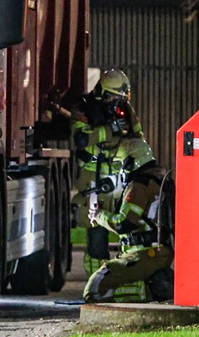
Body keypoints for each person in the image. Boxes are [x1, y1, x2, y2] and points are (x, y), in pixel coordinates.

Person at [52, 69, 147, 275]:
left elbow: (138, 137)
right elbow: (82, 140)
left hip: (122, 177)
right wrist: (110, 129)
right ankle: (98, 282)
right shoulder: (84, 109)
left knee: (128, 227)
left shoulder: (126, 110)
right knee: (97, 233)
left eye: (121, 99)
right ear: (103, 94)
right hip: (94, 181)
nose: (118, 104)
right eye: (114, 98)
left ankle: (124, 276)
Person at [82, 137, 174, 303]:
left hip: (145, 254)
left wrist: (98, 216)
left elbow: (123, 224)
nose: (121, 170)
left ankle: (143, 295)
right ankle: (150, 289)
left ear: (132, 162)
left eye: (122, 164)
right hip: (158, 252)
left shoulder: (139, 185)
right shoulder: (159, 179)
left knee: (95, 287)